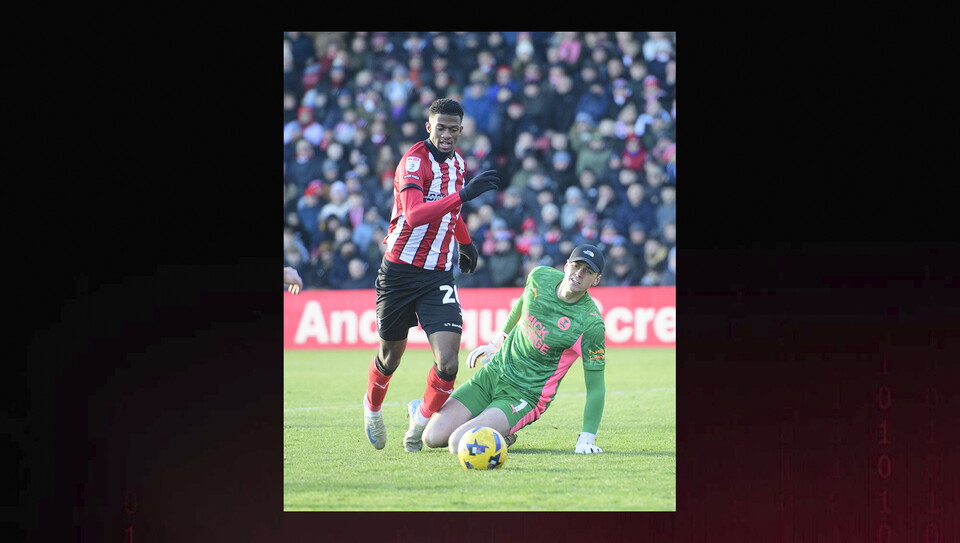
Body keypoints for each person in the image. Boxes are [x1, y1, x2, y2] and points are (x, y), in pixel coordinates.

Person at [362, 98, 501, 452]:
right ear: (429, 127)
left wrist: (465, 244)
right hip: (399, 272)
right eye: (441, 127)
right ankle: (373, 408)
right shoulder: (413, 162)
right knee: (391, 356)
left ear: (461, 131)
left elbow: (449, 215)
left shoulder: (458, 166)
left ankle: (420, 421)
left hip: (437, 274)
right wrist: (464, 196)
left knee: (449, 361)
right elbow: (414, 215)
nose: (447, 135)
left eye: (453, 129)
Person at [420, 243, 607, 455]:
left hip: (525, 395)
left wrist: (587, 438)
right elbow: (522, 303)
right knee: (431, 438)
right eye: (576, 266)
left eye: (588, 271)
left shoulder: (591, 324)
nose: (579, 274)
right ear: (566, 266)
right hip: (493, 374)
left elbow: (596, 388)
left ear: (596, 280)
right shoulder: (540, 276)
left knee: (458, 444)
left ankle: (501, 431)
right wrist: (497, 342)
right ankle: (494, 427)